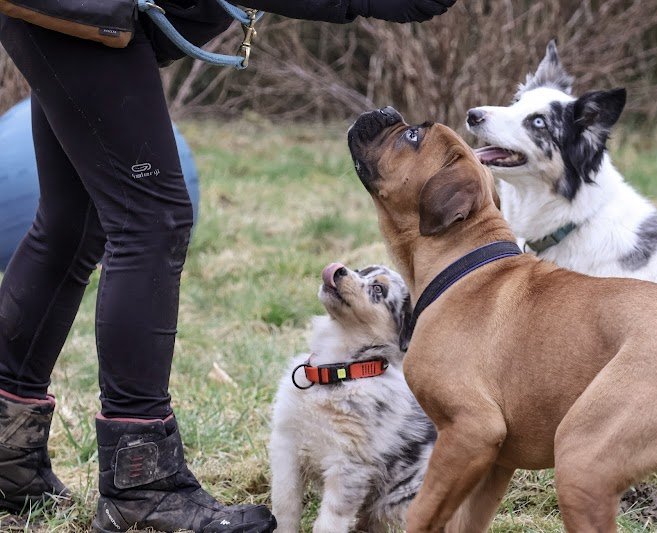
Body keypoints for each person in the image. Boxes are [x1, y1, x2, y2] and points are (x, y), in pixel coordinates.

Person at [0, 1, 455, 531]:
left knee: (72, 222)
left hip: (65, 12)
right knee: (151, 218)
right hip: (76, 9)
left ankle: (8, 452)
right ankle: (141, 483)